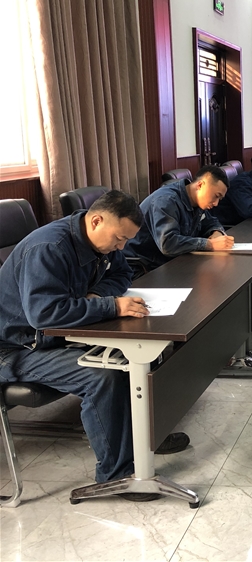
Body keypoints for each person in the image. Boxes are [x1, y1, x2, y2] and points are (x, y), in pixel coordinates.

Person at [0, 191, 190, 502]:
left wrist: (97, 295)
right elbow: (44, 315)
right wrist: (110, 306)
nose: (122, 247)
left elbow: (123, 272)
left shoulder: (100, 242)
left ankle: (146, 440)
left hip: (53, 337)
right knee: (102, 376)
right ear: (97, 220)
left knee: (139, 353)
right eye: (119, 238)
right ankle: (117, 475)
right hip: (16, 347)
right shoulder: (49, 248)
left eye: (127, 240)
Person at [124, 165, 233, 271]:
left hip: (172, 261)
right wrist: (209, 244)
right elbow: (168, 244)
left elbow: (211, 221)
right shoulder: (166, 201)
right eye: (216, 196)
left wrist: (216, 232)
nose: (216, 203)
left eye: (220, 199)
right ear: (200, 185)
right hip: (144, 267)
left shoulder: (197, 201)